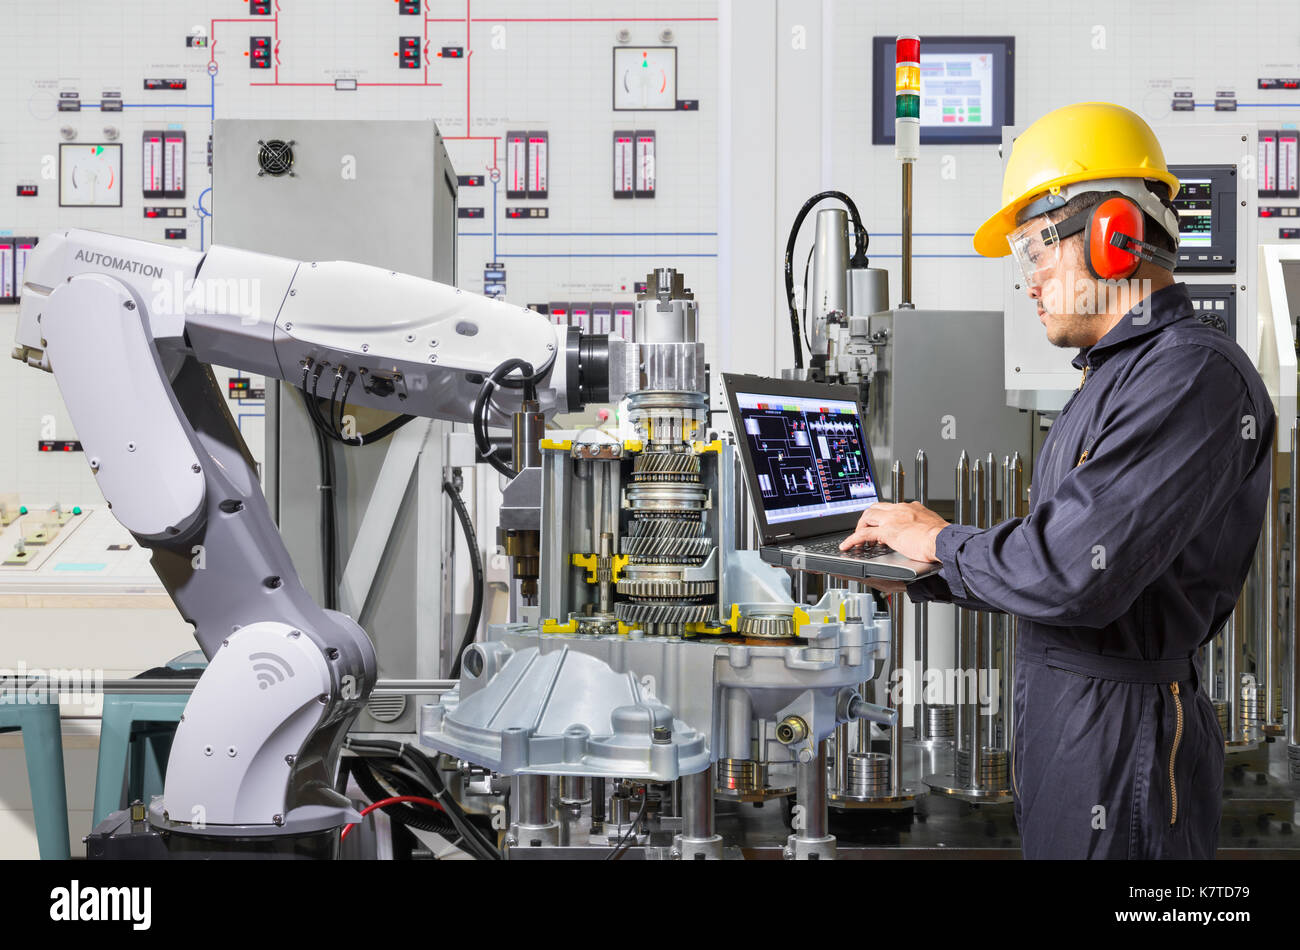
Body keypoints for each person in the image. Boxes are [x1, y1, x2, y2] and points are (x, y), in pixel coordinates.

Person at [838, 102, 1274, 859]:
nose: (1029, 281)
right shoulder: (1115, 377)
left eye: (1036, 251)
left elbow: (1074, 571)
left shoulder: (1191, 376)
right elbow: (1059, 555)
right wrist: (925, 572)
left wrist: (942, 541)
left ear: (1112, 237)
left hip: (1125, 740)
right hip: (1073, 723)